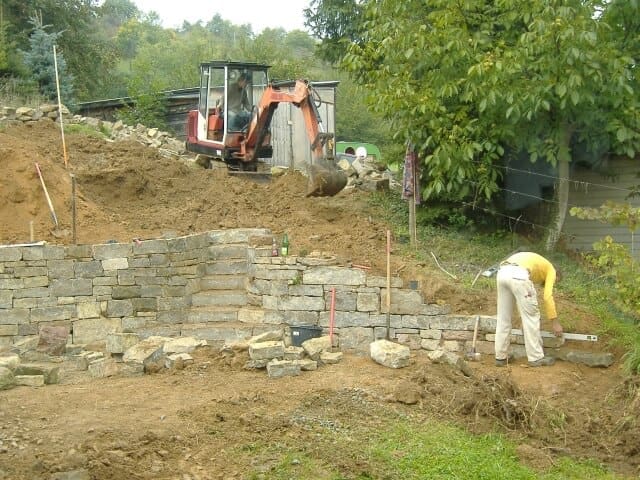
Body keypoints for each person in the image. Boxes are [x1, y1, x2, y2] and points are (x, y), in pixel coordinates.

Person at [494, 251, 563, 367]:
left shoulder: (536, 264)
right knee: (532, 317)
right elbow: (547, 297)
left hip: (502, 273)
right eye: (556, 281)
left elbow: (520, 297)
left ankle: (500, 357)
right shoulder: (551, 269)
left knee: (503, 318)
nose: (552, 282)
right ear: (557, 274)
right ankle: (536, 357)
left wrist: (523, 317)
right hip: (518, 275)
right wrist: (555, 323)